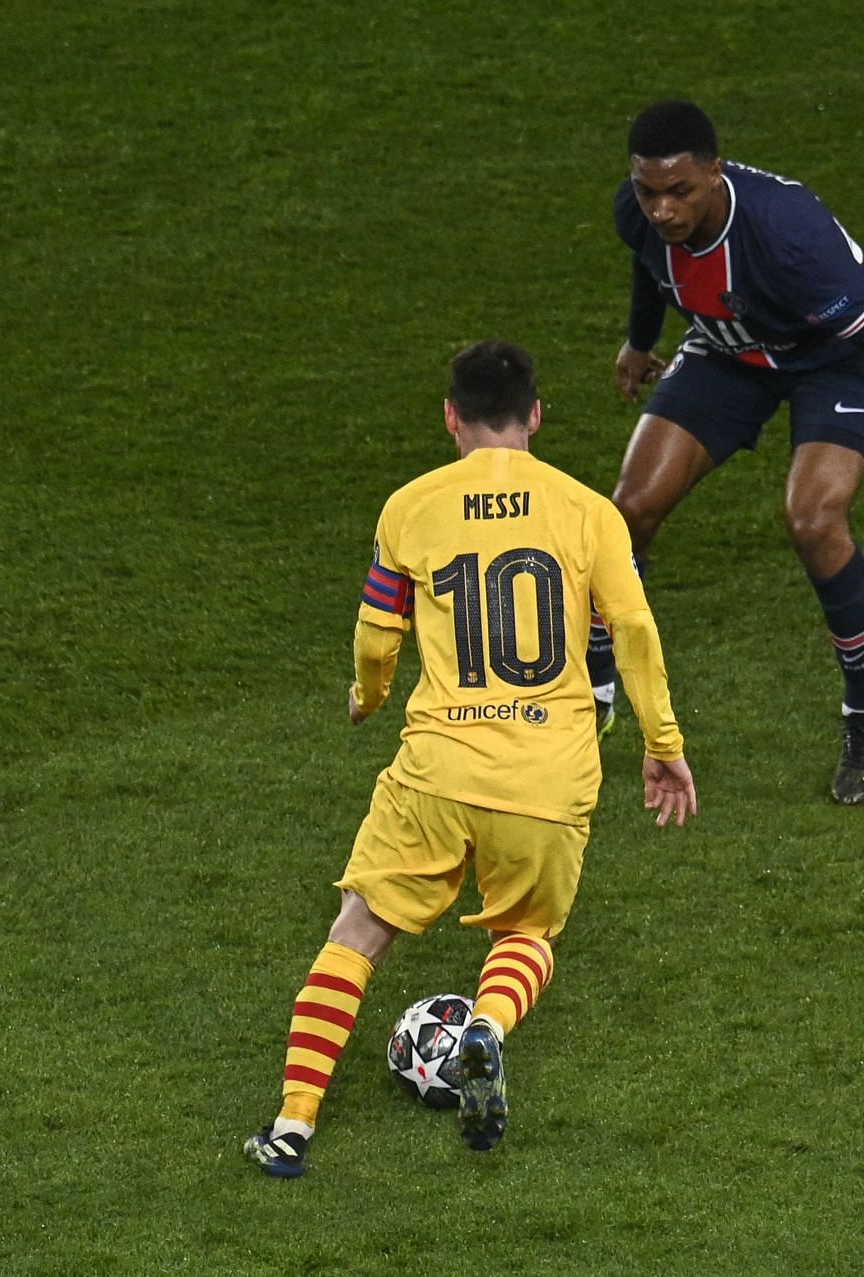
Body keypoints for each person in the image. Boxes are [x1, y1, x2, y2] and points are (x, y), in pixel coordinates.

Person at [244, 341, 696, 1178]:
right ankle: (486, 1026)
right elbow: (633, 632)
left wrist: (367, 697)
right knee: (527, 928)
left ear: (451, 416)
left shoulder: (409, 507)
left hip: (437, 770)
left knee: (358, 929)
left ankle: (292, 1125)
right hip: (548, 774)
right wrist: (662, 747)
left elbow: (378, 635)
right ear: (536, 415)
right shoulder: (590, 511)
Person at [584, 100, 864, 804]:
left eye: (679, 191)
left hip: (833, 359)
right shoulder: (639, 212)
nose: (661, 208)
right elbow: (651, 266)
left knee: (813, 520)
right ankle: (592, 693)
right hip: (730, 348)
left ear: (716, 173)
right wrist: (639, 340)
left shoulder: (787, 236)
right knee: (628, 512)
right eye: (649, 191)